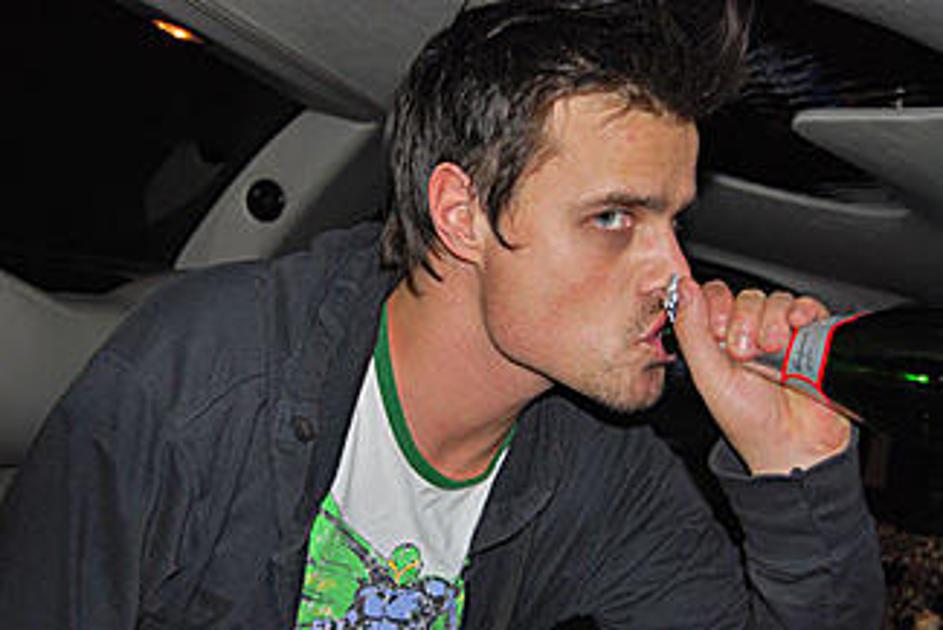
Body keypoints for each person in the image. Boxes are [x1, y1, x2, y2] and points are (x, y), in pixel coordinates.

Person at [0, 1, 885, 628]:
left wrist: (796, 469)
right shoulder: (203, 378)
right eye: (614, 218)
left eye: (673, 224)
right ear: (461, 215)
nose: (677, 277)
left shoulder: (603, 474)